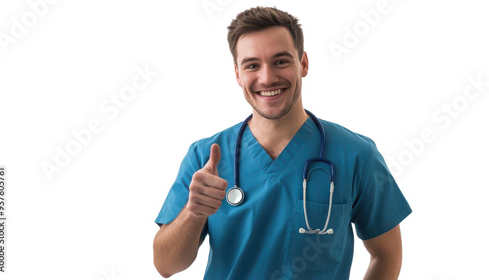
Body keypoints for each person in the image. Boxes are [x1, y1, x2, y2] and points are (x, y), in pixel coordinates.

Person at [153, 6, 412, 280]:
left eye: (280, 61)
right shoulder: (204, 157)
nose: (267, 78)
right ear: (238, 74)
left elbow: (386, 254)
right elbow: (166, 266)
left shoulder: (357, 155)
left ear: (303, 64)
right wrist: (193, 213)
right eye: (252, 65)